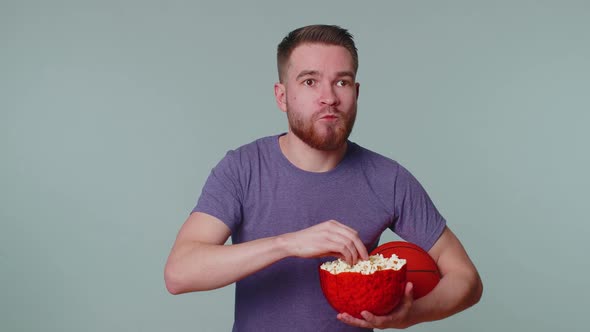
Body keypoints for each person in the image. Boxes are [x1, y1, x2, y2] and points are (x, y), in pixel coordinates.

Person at [164, 24, 483, 331]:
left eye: (341, 82)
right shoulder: (242, 169)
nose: (328, 97)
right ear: (282, 96)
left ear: (356, 92)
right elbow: (179, 273)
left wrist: (410, 315)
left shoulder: (389, 179)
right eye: (309, 81)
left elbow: (465, 278)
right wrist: (287, 244)